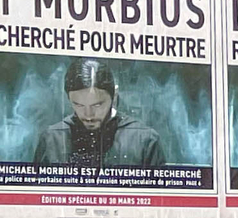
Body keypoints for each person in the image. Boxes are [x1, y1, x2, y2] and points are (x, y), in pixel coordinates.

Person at [33, 58, 164, 169]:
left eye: (97, 105)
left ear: (115, 95)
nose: (88, 114)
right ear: (68, 99)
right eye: (78, 105)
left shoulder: (144, 140)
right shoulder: (52, 139)